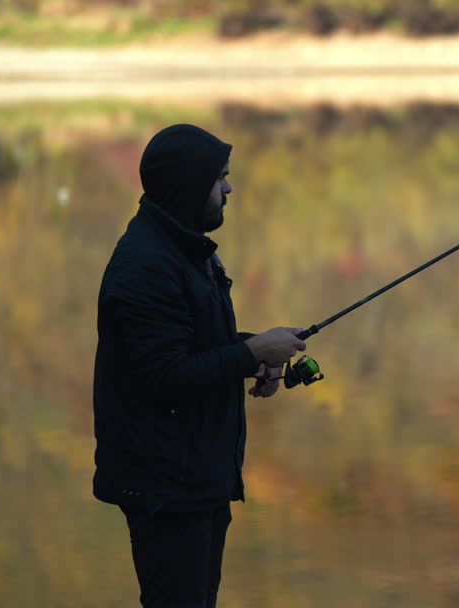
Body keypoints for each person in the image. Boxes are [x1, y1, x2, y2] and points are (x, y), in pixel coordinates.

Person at [92, 123, 306, 607]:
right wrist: (251, 353)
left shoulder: (182, 247)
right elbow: (164, 377)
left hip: (196, 478)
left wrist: (256, 356)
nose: (229, 188)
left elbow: (193, 347)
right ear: (191, 186)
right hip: (166, 488)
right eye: (220, 179)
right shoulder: (146, 266)